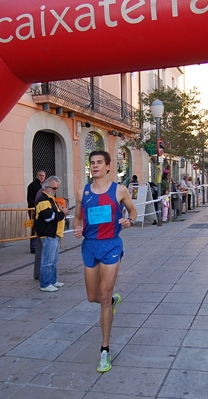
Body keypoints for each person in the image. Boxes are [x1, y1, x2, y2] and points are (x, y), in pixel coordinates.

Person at [73, 150, 137, 373]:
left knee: (102, 296)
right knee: (92, 297)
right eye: (92, 162)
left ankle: (105, 350)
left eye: (100, 162)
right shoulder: (83, 192)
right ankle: (111, 303)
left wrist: (128, 220)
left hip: (111, 245)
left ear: (109, 166)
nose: (95, 166)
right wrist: (77, 228)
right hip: (89, 246)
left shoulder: (119, 190)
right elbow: (78, 217)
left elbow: (133, 211)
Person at [34, 175, 69, 292]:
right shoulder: (44, 200)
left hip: (54, 234)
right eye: (54, 188)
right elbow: (49, 217)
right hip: (48, 234)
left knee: (53, 261)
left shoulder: (50, 199)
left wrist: (61, 212)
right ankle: (45, 284)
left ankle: (53, 280)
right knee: (47, 261)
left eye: (57, 188)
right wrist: (63, 213)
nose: (56, 191)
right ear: (47, 187)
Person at [27, 170, 46, 254]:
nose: (42, 177)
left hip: (42, 209)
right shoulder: (32, 186)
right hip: (34, 209)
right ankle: (33, 247)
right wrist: (33, 208)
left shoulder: (45, 185)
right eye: (40, 175)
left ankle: (40, 245)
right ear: (37, 176)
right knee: (34, 228)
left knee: (41, 227)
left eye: (43, 175)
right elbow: (30, 199)